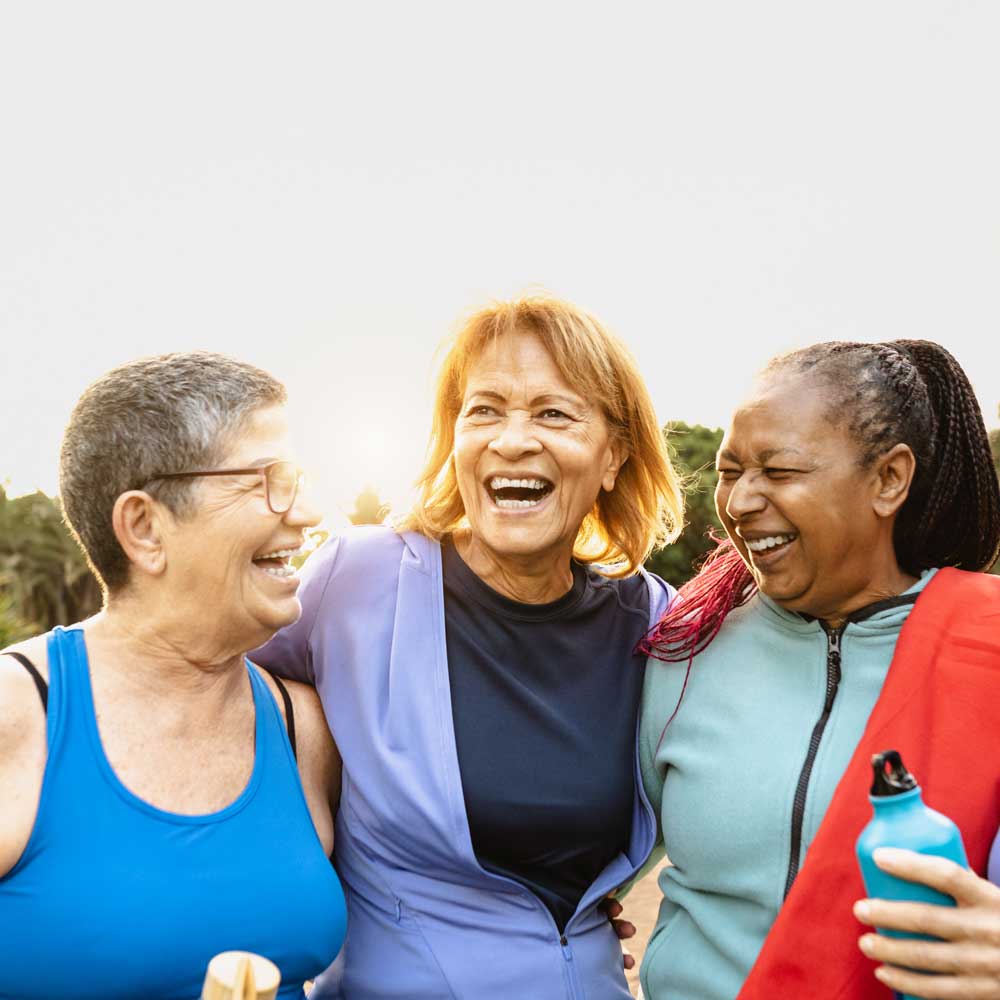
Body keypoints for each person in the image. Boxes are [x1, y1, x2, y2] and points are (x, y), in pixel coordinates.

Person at [254, 295, 685, 999]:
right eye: (484, 410)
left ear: (613, 457)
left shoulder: (654, 620)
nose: (512, 440)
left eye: (553, 413)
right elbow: (205, 693)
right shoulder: (354, 581)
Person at [636, 340, 1000, 1000]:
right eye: (730, 470)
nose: (741, 501)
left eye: (778, 471)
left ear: (889, 479)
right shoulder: (683, 649)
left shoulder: (988, 652)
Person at [0, 353, 347, 1000]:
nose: (306, 513)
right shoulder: (18, 714)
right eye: (269, 481)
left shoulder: (304, 727)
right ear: (145, 527)